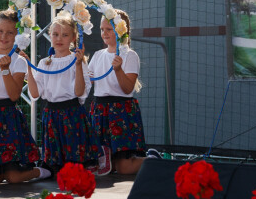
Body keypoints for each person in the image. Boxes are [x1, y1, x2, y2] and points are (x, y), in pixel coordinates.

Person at [0, 9, 51, 183]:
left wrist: (5, 70)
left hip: (8, 118)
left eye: (10, 32)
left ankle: (39, 172)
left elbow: (14, 95)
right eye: (0, 31)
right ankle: (1, 172)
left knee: (13, 177)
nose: (4, 36)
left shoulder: (18, 60)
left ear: (16, 35)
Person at [22, 11, 99, 175]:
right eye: (55, 34)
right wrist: (28, 67)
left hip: (72, 116)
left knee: (74, 165)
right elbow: (35, 94)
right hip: (52, 116)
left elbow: (79, 93)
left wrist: (78, 65)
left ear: (73, 38)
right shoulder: (44, 63)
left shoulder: (77, 61)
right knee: (56, 167)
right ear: (50, 35)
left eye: (64, 35)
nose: (59, 38)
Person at [88, 9, 160, 175]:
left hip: (119, 112)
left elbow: (127, 88)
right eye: (102, 29)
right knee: (106, 166)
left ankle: (153, 160)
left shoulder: (130, 55)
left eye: (109, 29)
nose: (104, 33)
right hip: (100, 112)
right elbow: (86, 82)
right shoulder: (98, 55)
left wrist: (118, 69)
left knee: (124, 168)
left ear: (121, 30)